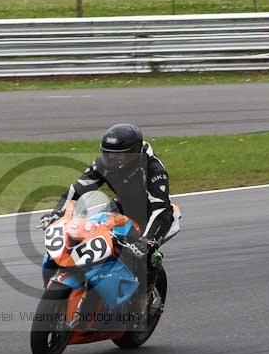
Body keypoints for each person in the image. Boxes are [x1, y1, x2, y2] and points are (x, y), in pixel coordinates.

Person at [39, 123, 174, 313]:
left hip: (152, 217)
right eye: (109, 153)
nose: (113, 158)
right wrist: (58, 211)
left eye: (119, 154)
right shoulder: (103, 164)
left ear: (135, 153)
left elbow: (162, 209)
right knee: (87, 234)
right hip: (120, 209)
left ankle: (144, 296)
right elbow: (77, 189)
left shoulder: (153, 169)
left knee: (144, 255)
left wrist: (148, 241)